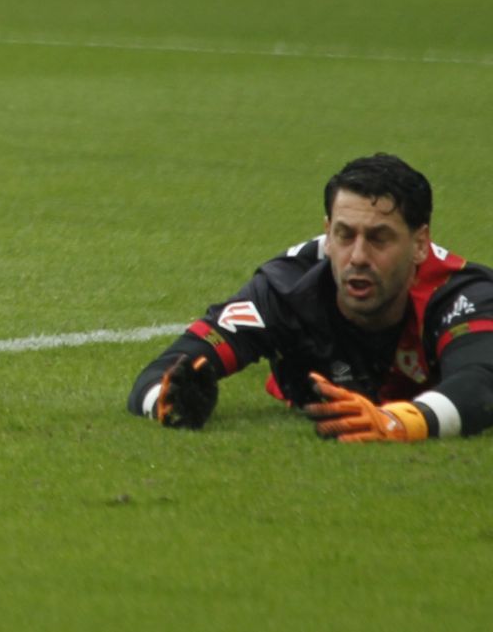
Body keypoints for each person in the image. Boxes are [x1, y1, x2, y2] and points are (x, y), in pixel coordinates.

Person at [130, 154, 493, 442]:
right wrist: (169, 401)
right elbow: (160, 372)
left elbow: (480, 383)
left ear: (419, 244)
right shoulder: (288, 288)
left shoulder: (460, 295)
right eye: (345, 235)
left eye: (379, 238)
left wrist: (401, 422)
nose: (358, 256)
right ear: (327, 233)